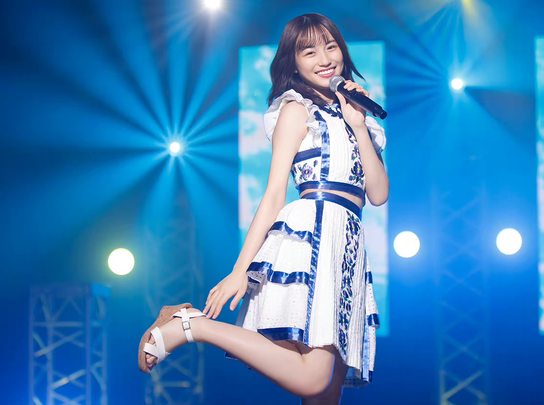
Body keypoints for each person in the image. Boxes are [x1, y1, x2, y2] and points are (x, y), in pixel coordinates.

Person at [138, 13, 388, 404]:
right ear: (294, 62)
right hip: (314, 238)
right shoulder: (296, 110)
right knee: (313, 381)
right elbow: (273, 194)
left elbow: (378, 193)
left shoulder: (359, 116)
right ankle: (192, 326)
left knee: (325, 396)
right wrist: (241, 270)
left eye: (330, 47)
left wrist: (358, 123)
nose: (325, 58)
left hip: (349, 246)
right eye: (309, 51)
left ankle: (191, 325)